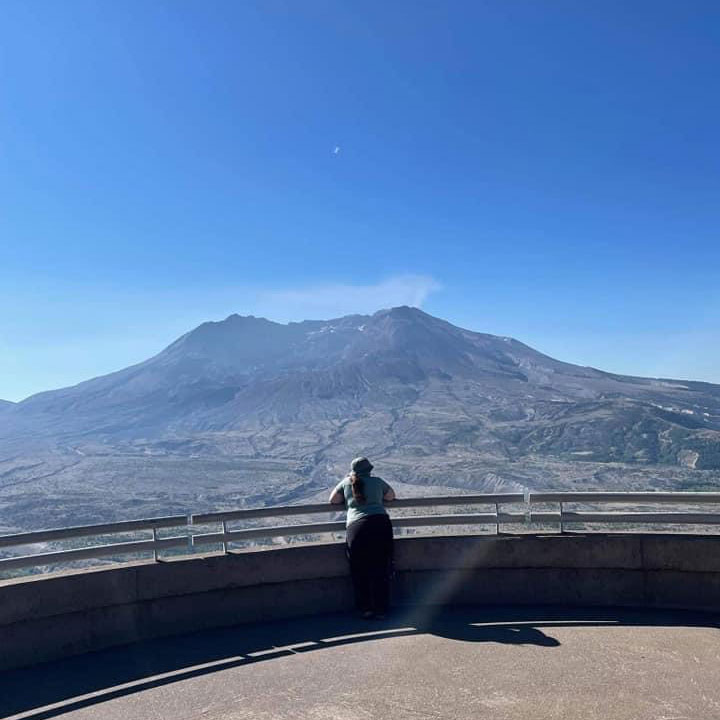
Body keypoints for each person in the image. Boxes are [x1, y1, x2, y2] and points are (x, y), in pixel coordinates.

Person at [329, 456, 396, 619]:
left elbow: (333, 500)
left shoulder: (346, 483)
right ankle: (381, 610)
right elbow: (391, 496)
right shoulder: (378, 481)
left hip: (357, 528)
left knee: (359, 570)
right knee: (381, 568)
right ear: (369, 470)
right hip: (380, 524)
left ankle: (366, 609)